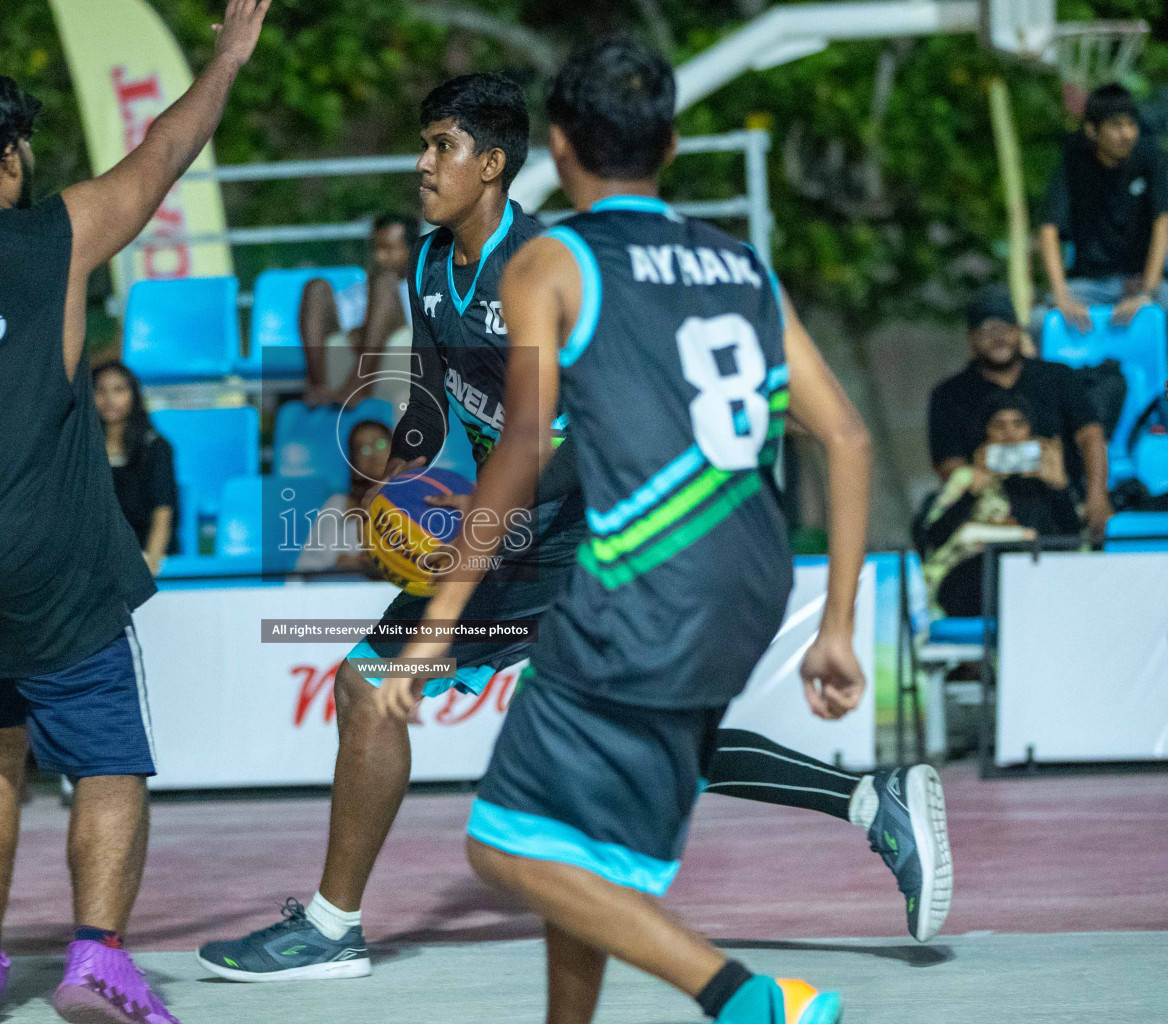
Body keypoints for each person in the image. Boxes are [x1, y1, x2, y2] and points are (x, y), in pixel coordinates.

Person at [197, 69, 950, 987]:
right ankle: (871, 803)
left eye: (443, 146)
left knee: (372, 687)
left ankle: (331, 926)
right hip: (533, 534)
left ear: (500, 163)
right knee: (648, 734)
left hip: (581, 534)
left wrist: (474, 537)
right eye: (424, 143)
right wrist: (402, 476)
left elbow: (559, 444)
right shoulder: (433, 264)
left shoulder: (545, 263)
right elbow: (438, 403)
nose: (423, 164)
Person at [375, 37, 878, 1024]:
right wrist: (837, 626)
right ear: (674, 143)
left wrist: (438, 623)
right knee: (579, 844)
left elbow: (519, 449)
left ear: (556, 149)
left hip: (643, 584)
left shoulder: (551, 259)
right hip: (753, 585)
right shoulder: (741, 263)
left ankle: (751, 999)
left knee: (505, 848)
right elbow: (849, 438)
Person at [0, 10, 267, 1023]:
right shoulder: (56, 239)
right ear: (6, 155)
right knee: (110, 759)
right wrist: (223, 60)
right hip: (39, 559)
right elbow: (166, 150)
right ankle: (96, 960)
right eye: (21, 144)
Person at [928, 287, 1110, 535]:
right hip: (986, 517)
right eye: (986, 331)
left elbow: (1091, 435)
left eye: (1004, 328)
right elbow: (948, 463)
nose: (998, 338)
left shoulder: (1058, 377)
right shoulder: (949, 395)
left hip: (1060, 504)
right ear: (970, 338)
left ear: (1018, 330)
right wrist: (978, 479)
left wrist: (1096, 497)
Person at [922, 393, 1081, 617]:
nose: (1010, 434)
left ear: (1030, 430)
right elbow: (933, 538)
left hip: (1033, 580)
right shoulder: (967, 478)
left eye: (1018, 424)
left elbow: (1071, 541)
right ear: (985, 433)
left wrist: (1058, 488)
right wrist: (972, 493)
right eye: (999, 425)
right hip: (970, 581)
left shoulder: (1047, 479)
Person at [1039, 83, 1168, 331]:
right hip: (1090, 283)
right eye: (1116, 126)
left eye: (1131, 125)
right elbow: (1048, 228)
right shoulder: (1073, 160)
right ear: (1092, 130)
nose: (1127, 134)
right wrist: (1061, 295)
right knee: (1039, 323)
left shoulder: (1151, 156)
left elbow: (1163, 221)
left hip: (1142, 279)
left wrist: (1146, 293)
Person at [299, 214, 419, 408]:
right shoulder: (359, 289)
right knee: (316, 287)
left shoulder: (427, 287)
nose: (378, 257)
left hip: (401, 361)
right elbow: (347, 331)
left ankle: (360, 386)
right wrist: (360, 333)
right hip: (349, 358)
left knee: (384, 283)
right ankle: (318, 386)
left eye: (388, 249)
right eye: (375, 249)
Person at [93, 361, 179, 574]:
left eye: (119, 390)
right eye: (100, 391)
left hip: (144, 551)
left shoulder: (155, 447)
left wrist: (151, 561)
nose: (109, 399)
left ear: (134, 395)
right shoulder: (84, 449)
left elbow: (163, 510)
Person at [295, 419, 392, 573]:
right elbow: (306, 565)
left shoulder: (417, 501)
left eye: (380, 444)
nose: (373, 454)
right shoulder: (338, 504)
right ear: (354, 463)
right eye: (363, 449)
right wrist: (339, 563)